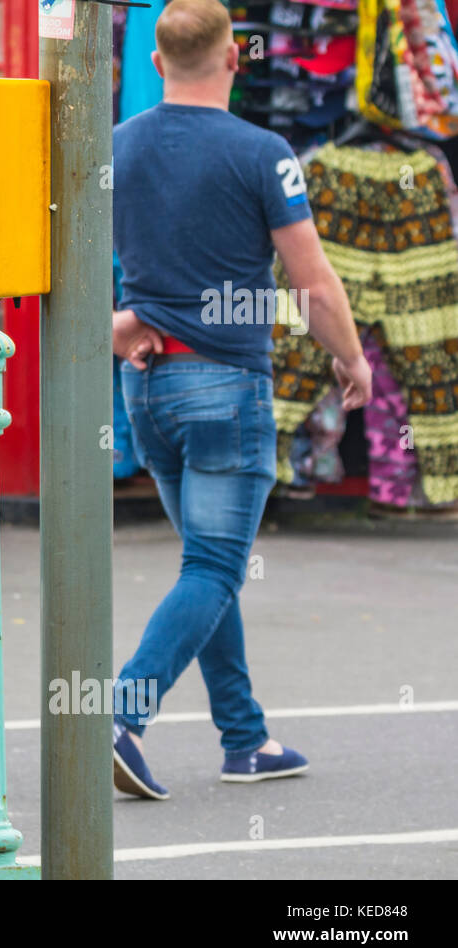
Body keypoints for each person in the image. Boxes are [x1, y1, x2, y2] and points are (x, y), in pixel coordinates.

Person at [109, 0, 373, 798]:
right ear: (235, 59)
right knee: (218, 563)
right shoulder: (263, 153)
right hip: (227, 387)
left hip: (147, 386)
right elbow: (314, 285)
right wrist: (352, 360)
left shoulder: (114, 147)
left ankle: (244, 737)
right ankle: (120, 715)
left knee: (208, 566)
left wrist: (115, 326)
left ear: (155, 64)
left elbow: (67, 268)